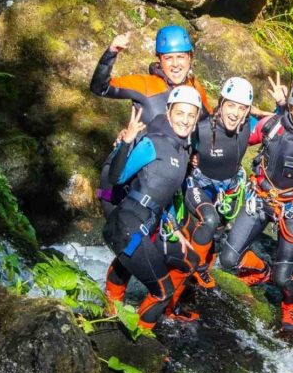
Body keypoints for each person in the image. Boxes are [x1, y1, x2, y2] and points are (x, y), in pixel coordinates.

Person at [91, 25, 212, 311]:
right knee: (129, 241)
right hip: (123, 177)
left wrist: (193, 156)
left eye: (181, 56)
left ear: (191, 58)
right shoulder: (146, 85)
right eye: (169, 58)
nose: (176, 63)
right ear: (159, 60)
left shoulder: (196, 92)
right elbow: (100, 87)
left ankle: (159, 303)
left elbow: (203, 126)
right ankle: (113, 304)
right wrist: (111, 53)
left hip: (156, 179)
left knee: (148, 244)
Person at [219, 77, 293, 333]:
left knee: (283, 277)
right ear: (291, 106)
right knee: (228, 259)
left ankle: (291, 303)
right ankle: (262, 271)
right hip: (260, 199)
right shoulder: (271, 125)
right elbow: (237, 138)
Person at [102, 86, 203, 330]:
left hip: (148, 224)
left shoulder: (183, 150)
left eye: (191, 115)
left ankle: (117, 308)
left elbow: (162, 195)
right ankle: (140, 338)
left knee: (190, 260)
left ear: (197, 117)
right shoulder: (151, 142)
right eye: (180, 113)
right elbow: (116, 177)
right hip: (126, 225)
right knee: (162, 290)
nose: (185, 120)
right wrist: (126, 143)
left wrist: (174, 226)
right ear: (168, 112)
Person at [179, 76, 258, 293]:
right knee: (210, 220)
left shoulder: (248, 126)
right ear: (221, 104)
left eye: (241, 108)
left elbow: (277, 129)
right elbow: (172, 139)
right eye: (230, 105)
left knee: (218, 231)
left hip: (229, 188)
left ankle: (206, 264)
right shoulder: (201, 129)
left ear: (247, 110)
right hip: (199, 183)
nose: (234, 113)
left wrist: (280, 107)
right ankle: (194, 267)